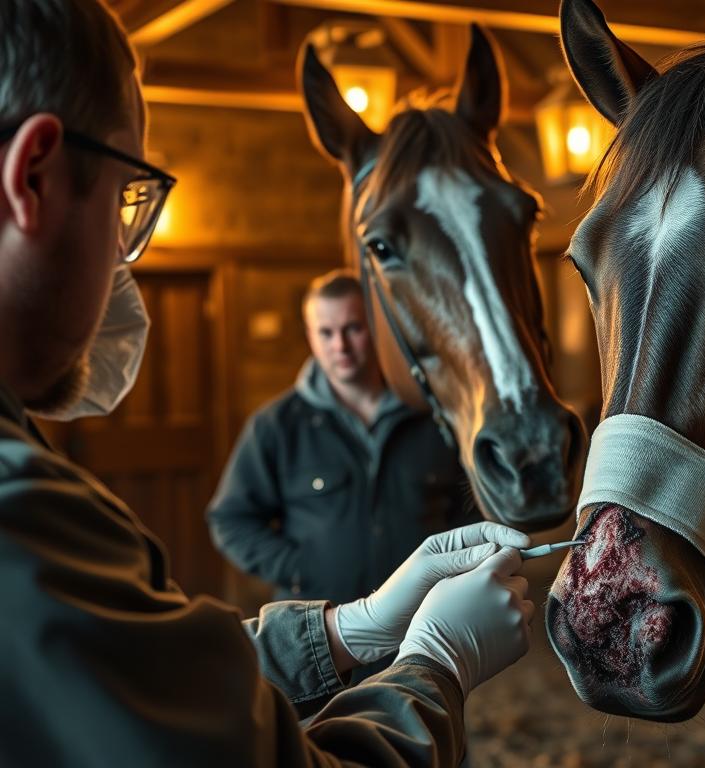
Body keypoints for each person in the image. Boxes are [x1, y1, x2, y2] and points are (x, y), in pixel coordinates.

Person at [0, 1, 534, 765]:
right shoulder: (25, 522)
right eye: (125, 197)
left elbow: (158, 682)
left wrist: (348, 629)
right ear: (35, 178)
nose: (125, 254)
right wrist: (436, 664)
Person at [207, 271, 474, 611]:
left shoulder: (434, 416)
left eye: (353, 328)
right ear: (310, 336)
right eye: (326, 333)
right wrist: (299, 570)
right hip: (321, 630)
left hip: (424, 622)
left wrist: (451, 574)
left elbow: (471, 505)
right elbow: (231, 520)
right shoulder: (275, 426)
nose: (340, 345)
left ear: (377, 327)